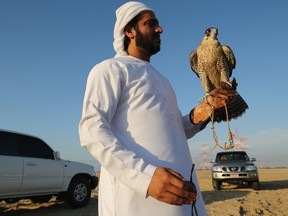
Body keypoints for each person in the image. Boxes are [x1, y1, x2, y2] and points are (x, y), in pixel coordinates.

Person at [79, 2, 235, 216]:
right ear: (129, 31)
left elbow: (173, 129)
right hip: (137, 198)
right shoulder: (110, 69)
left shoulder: (162, 79)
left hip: (182, 192)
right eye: (151, 24)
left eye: (158, 24)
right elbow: (91, 130)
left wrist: (203, 111)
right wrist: (145, 178)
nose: (160, 29)